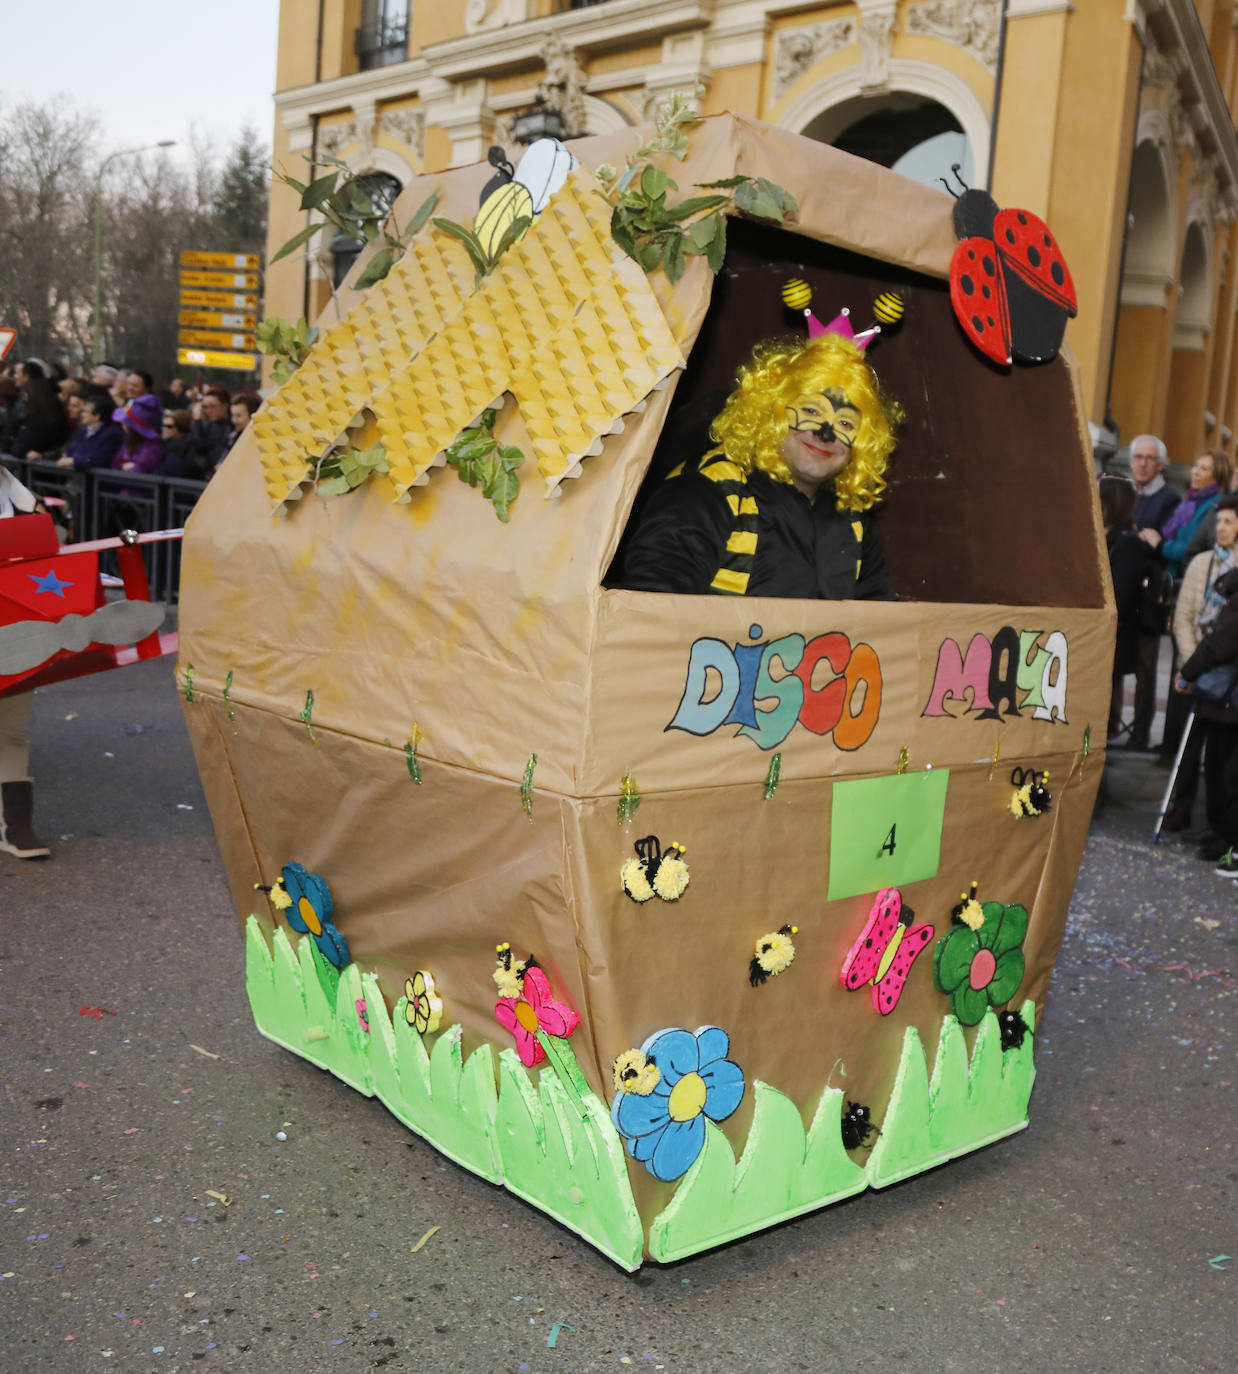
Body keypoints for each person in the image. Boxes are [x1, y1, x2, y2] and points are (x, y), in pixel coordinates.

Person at [617, 330, 901, 598]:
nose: (825, 434)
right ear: (770, 410)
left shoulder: (850, 518)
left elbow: (877, 624)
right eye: (811, 410)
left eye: (846, 423)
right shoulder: (713, 489)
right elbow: (652, 610)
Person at [1163, 493, 1238, 829]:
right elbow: (1184, 617)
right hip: (1195, 661)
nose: (1221, 528)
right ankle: (1181, 806)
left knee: (1221, 752)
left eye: (1228, 522)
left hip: (1224, 672)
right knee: (1188, 743)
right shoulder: (1200, 563)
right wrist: (1190, 662)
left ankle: (1218, 822)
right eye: (1218, 521)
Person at [0, 463, 51, 857]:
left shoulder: (21, 495)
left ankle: (17, 828)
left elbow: (53, 548)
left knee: (12, 729)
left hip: (18, 626)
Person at [1175, 565, 1238, 868]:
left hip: (1230, 697)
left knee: (1225, 770)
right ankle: (1219, 831)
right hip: (1223, 698)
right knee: (1216, 765)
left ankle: (1226, 837)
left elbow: (1220, 644)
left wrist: (1189, 671)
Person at [1100, 476, 1155, 743]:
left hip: (1116, 633)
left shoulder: (1128, 543)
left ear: (1110, 505)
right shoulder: (1104, 538)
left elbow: (1120, 595)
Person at [1155, 450, 1231, 580]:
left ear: (1218, 476)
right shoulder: (1191, 502)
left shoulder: (1216, 505)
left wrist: (1160, 544)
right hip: (1171, 575)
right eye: (1195, 466)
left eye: (1204, 469)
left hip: (1189, 578)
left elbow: (1196, 549)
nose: (1195, 472)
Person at [58, 390, 122, 470]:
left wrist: (74, 461)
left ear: (97, 416)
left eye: (85, 412)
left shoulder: (112, 434)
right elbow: (71, 449)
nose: (82, 414)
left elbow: (100, 458)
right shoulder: (84, 430)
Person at [112, 395, 165, 473]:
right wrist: (122, 466)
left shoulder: (153, 447)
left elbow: (140, 469)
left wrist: (127, 467)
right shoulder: (129, 442)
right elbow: (115, 463)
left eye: (126, 422)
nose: (123, 424)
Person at [188, 387, 232, 473]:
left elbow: (202, 447)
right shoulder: (207, 424)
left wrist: (197, 422)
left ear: (225, 406)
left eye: (213, 406)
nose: (208, 410)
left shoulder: (230, 427)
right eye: (205, 406)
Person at [155, 409, 203, 478]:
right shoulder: (160, 443)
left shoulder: (189, 445)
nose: (164, 429)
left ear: (180, 427)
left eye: (169, 426)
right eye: (163, 425)